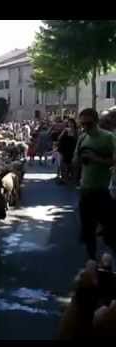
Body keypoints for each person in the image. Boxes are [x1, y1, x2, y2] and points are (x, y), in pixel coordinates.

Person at [73, 108, 116, 260]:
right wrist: (78, 160)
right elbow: (75, 162)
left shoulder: (109, 137)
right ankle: (92, 262)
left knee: (110, 233)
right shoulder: (82, 138)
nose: (85, 127)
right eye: (82, 124)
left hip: (103, 192)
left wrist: (97, 159)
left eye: (89, 124)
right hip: (85, 191)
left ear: (96, 122)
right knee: (88, 232)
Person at [58, 118, 79, 184]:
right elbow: (59, 138)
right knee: (63, 164)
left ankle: (73, 178)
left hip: (73, 148)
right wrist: (64, 131)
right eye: (69, 123)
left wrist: (73, 133)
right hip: (65, 149)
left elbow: (77, 139)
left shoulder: (76, 131)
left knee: (72, 164)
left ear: (74, 123)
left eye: (71, 123)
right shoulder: (65, 130)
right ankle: (64, 178)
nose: (70, 124)